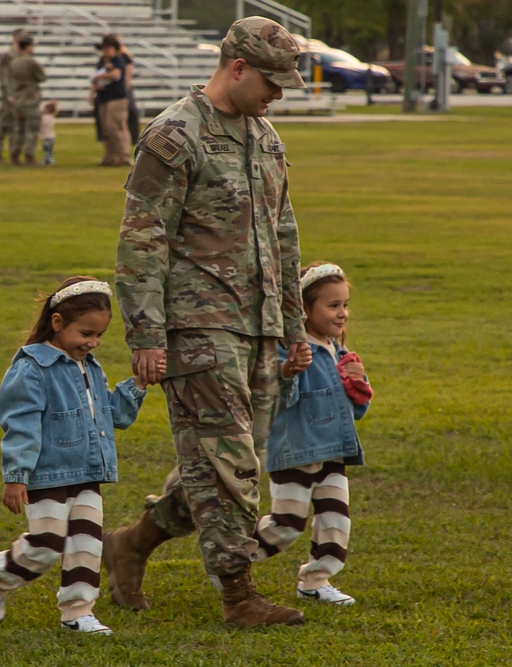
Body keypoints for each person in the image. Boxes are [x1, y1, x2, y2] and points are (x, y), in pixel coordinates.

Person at [109, 16, 311, 629]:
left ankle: (132, 543)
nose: (279, 93)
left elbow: (285, 236)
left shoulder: (265, 137)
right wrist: (145, 335)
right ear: (238, 68)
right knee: (228, 460)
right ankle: (237, 594)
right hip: (197, 326)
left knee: (221, 457)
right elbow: (141, 243)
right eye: (272, 81)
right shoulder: (174, 135)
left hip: (261, 324)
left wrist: (295, 327)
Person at [0, 276, 160, 636]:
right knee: (46, 545)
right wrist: (16, 476)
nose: (93, 342)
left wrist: (138, 385)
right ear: (57, 323)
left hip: (87, 474)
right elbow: (21, 425)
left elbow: (113, 416)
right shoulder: (31, 368)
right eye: (86, 333)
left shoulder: (91, 366)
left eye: (100, 335)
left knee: (86, 547)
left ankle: (77, 611)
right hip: (48, 475)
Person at [253, 262, 371, 607]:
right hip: (296, 451)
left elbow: (356, 412)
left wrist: (359, 383)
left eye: (345, 304)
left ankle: (315, 581)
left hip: (334, 452)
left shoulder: (342, 353)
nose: (343, 313)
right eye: (333, 306)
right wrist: (288, 371)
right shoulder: (292, 351)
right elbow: (281, 401)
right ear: (303, 310)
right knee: (287, 524)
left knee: (335, 524)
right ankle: (230, 558)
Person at [89, 35, 131, 167]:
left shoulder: (117, 60)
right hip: (103, 97)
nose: (105, 51)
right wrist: (92, 92)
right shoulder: (102, 61)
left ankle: (120, 156)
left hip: (116, 97)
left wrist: (100, 76)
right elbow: (96, 80)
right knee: (105, 129)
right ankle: (109, 156)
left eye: (108, 48)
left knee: (113, 127)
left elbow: (115, 74)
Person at [6, 35, 46, 166]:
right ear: (28, 47)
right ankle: (29, 156)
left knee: (18, 129)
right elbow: (42, 77)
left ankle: (14, 155)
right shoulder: (31, 62)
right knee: (32, 130)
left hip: (17, 100)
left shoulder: (13, 62)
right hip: (30, 99)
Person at [0, 28, 27, 164]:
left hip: (21, 95)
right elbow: (4, 77)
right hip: (9, 95)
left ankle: (15, 154)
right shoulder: (7, 56)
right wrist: (9, 94)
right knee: (5, 124)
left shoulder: (24, 56)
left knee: (18, 126)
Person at [40, 100, 58, 166]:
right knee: (50, 149)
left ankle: (47, 160)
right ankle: (51, 158)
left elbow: (41, 125)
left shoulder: (45, 118)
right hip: (52, 136)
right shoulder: (52, 118)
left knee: (46, 149)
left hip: (46, 137)